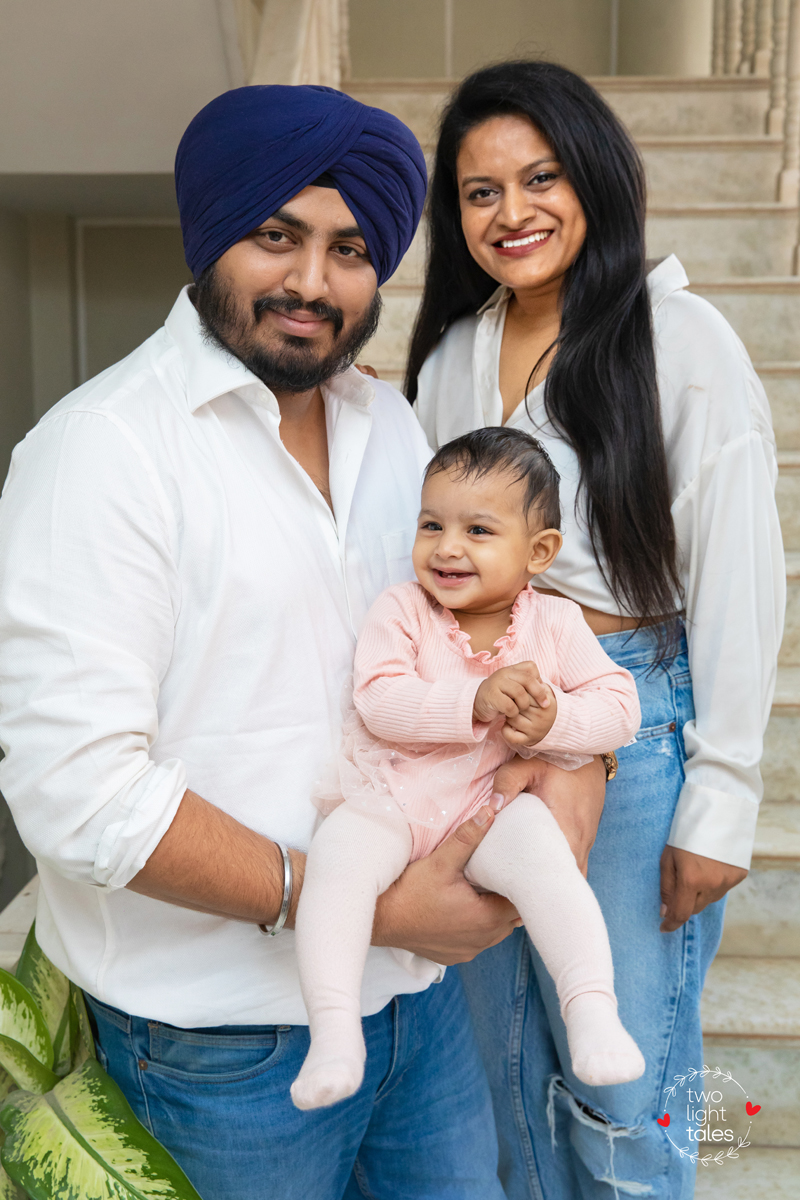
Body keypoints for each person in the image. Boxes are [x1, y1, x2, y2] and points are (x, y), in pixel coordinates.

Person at [0, 83, 570, 1200]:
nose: (312, 281)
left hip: (414, 1009)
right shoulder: (100, 452)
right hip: (221, 1045)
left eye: (349, 249)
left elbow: (469, 634)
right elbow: (78, 792)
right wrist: (367, 904)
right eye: (277, 236)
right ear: (212, 236)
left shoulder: (391, 426)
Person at [407, 61, 785, 1200]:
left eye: (541, 178)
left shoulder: (682, 341)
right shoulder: (452, 355)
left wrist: (721, 798)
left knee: (621, 1092)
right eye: (479, 192)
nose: (510, 212)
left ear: (597, 179)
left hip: (626, 721)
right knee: (501, 1076)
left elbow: (737, 579)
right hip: (476, 725)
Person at [292, 426, 644, 1114]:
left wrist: (556, 722)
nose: (447, 547)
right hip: (395, 795)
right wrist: (472, 700)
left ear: (538, 552)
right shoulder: (403, 609)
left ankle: (592, 1010)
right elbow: (379, 698)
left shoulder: (556, 623)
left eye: (477, 530)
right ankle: (333, 1032)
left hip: (492, 807)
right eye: (432, 525)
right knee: (336, 864)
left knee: (550, 869)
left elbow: (621, 708)